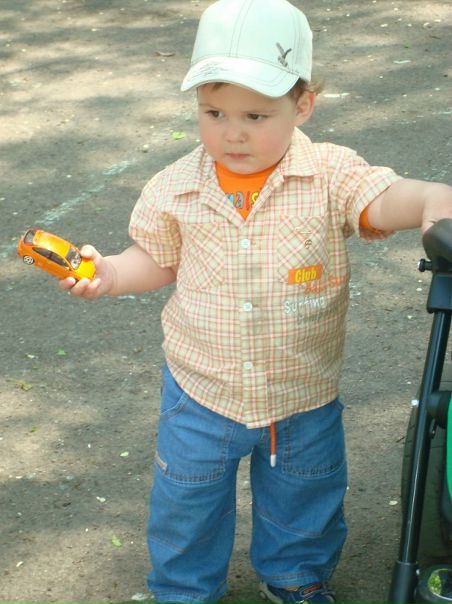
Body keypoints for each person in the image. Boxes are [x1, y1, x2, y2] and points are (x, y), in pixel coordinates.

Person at [59, 0, 452, 602]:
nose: (232, 132)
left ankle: (295, 577)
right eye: (213, 112)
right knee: (186, 504)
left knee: (305, 499)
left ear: (303, 105)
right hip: (200, 392)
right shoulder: (174, 187)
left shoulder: (329, 175)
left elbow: (381, 199)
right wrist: (109, 273)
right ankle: (184, 589)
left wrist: (430, 200)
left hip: (302, 394)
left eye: (255, 115)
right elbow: (158, 259)